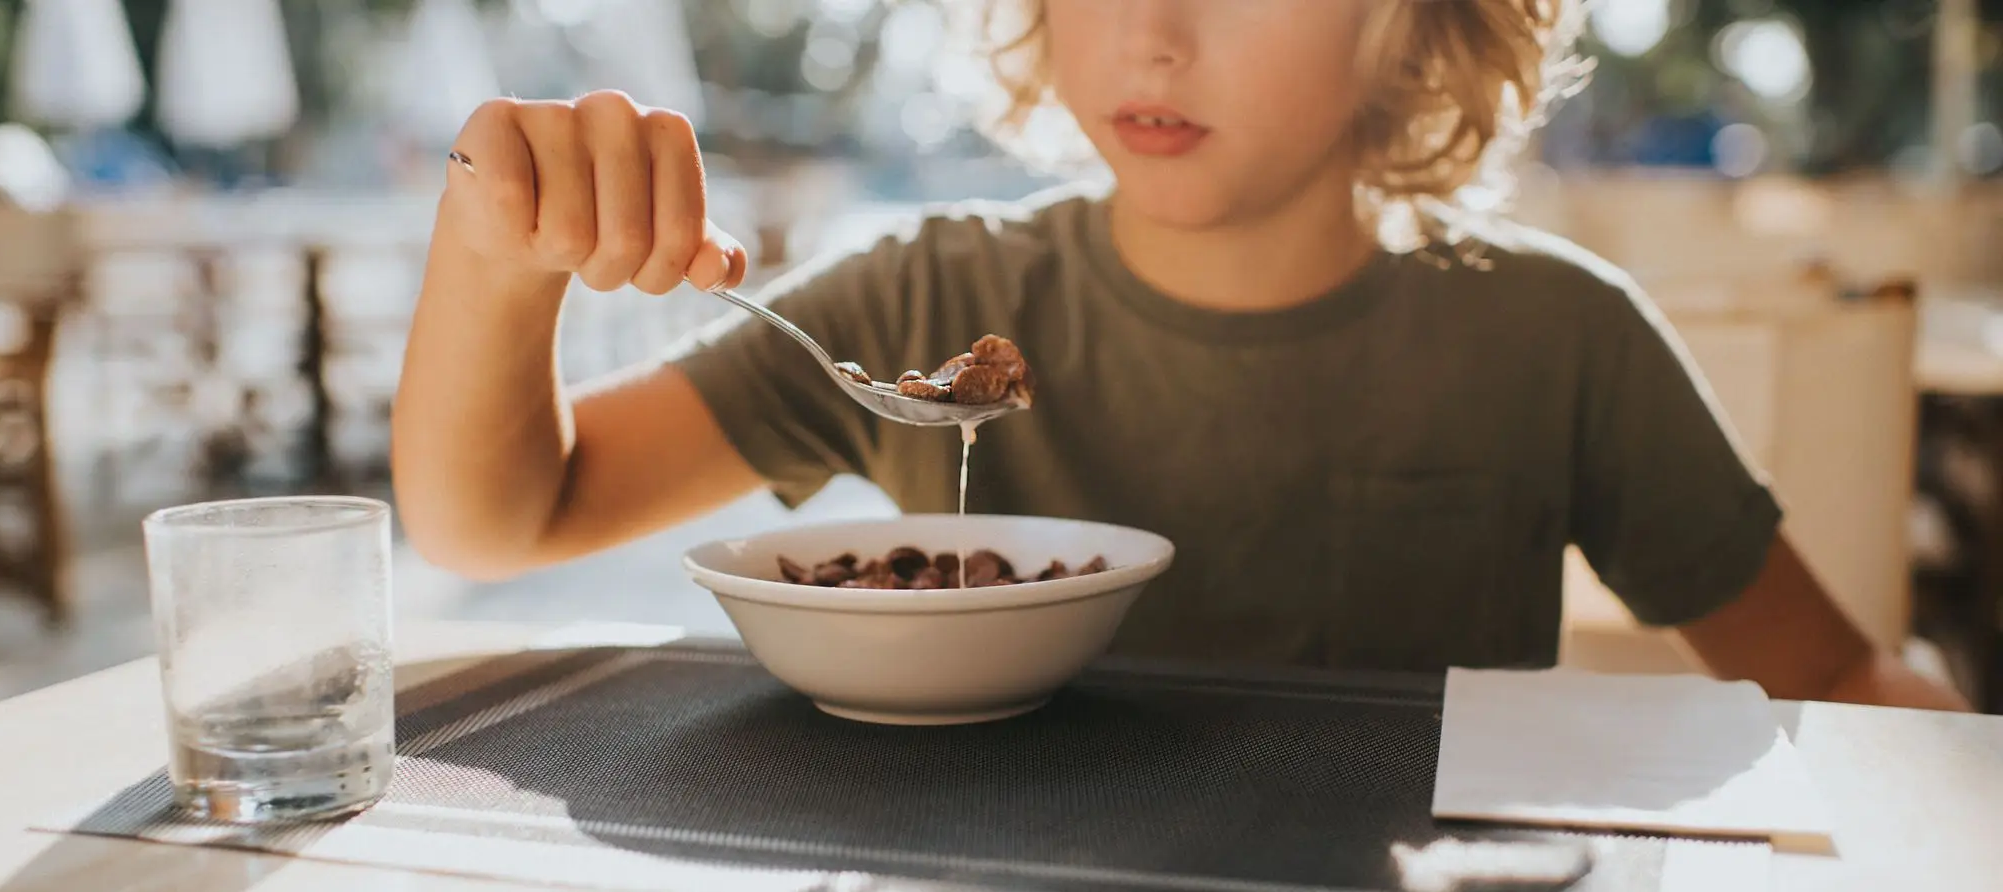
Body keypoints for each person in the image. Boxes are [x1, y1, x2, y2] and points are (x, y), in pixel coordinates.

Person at [393, 0, 1967, 711]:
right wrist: (492, 258)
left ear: (1413, 25)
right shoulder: (924, 298)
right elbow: (504, 522)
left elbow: (1828, 676)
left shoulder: (1554, 338)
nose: (1150, 30)